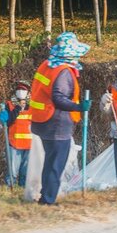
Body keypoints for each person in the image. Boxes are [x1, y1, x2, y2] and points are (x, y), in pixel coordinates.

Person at [29, 32, 91, 205]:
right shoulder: (63, 72)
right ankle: (48, 200)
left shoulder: (47, 65)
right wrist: (79, 107)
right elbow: (58, 97)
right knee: (56, 165)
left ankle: (45, 195)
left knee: (50, 163)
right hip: (56, 124)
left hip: (43, 122)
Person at [5, 79, 33, 187]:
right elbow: (8, 121)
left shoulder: (33, 106)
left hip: (30, 145)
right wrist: (18, 108)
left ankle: (22, 190)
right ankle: (10, 190)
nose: (21, 91)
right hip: (14, 144)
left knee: (25, 172)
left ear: (28, 92)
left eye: (23, 89)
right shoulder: (10, 105)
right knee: (12, 172)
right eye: (19, 89)